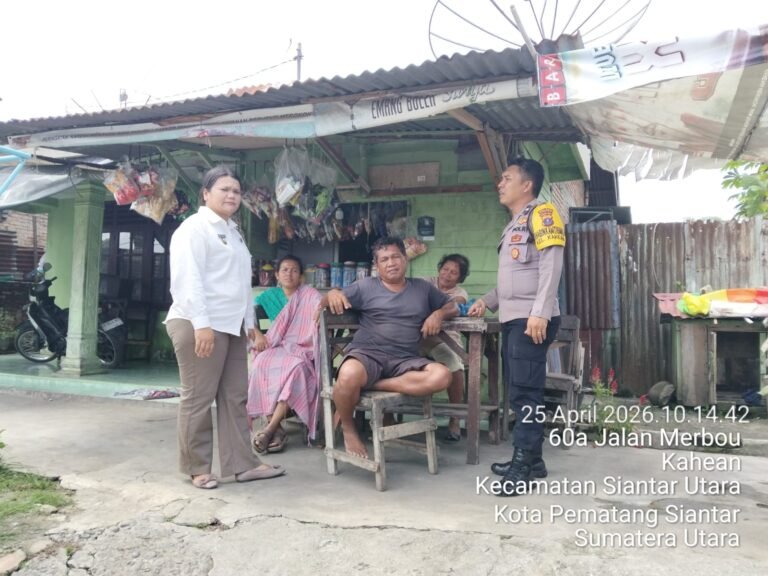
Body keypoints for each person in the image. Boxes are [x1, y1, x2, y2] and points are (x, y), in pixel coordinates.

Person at [165, 165, 285, 489]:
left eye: (236, 191)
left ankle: (243, 465)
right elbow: (188, 281)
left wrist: (250, 324)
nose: (232, 195)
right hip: (198, 323)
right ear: (205, 194)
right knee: (199, 397)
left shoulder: (234, 232)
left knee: (235, 397)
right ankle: (197, 468)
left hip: (231, 326)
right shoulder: (194, 229)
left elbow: (241, 283)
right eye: (224, 189)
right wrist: (201, 325)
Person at [468, 157, 565, 497]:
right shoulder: (514, 224)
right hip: (514, 318)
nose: (500, 184)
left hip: (531, 320)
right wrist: (487, 301)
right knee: (520, 390)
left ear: (527, 185)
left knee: (526, 394)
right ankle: (533, 461)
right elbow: (514, 279)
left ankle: (522, 465)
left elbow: (552, 265)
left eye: (506, 178)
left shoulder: (543, 213)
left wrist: (540, 312)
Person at [320, 236, 459, 459]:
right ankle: (348, 429)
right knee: (348, 375)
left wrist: (438, 314)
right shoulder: (365, 286)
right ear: (377, 265)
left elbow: (452, 306)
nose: (391, 263)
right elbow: (326, 302)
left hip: (405, 359)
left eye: (396, 257)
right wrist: (332, 294)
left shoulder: (422, 288)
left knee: (442, 376)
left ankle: (371, 384)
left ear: (405, 259)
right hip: (368, 354)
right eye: (384, 259)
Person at [247, 254, 322, 453]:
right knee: (260, 363)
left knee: (296, 368)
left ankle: (270, 428)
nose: (289, 274)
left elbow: (322, 307)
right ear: (277, 275)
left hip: (301, 350)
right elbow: (246, 317)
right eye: (285, 270)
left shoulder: (309, 295)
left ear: (301, 276)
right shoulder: (268, 297)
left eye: (294, 270)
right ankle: (277, 429)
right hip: (275, 346)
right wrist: (258, 335)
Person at [419, 253, 470, 442]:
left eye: (453, 273)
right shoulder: (425, 282)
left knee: (455, 365)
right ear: (439, 269)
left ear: (460, 278)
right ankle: (388, 416)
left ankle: (454, 419)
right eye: (445, 269)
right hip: (418, 339)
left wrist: (437, 311)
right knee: (393, 360)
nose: (447, 275)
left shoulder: (460, 292)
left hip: (444, 341)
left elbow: (455, 305)